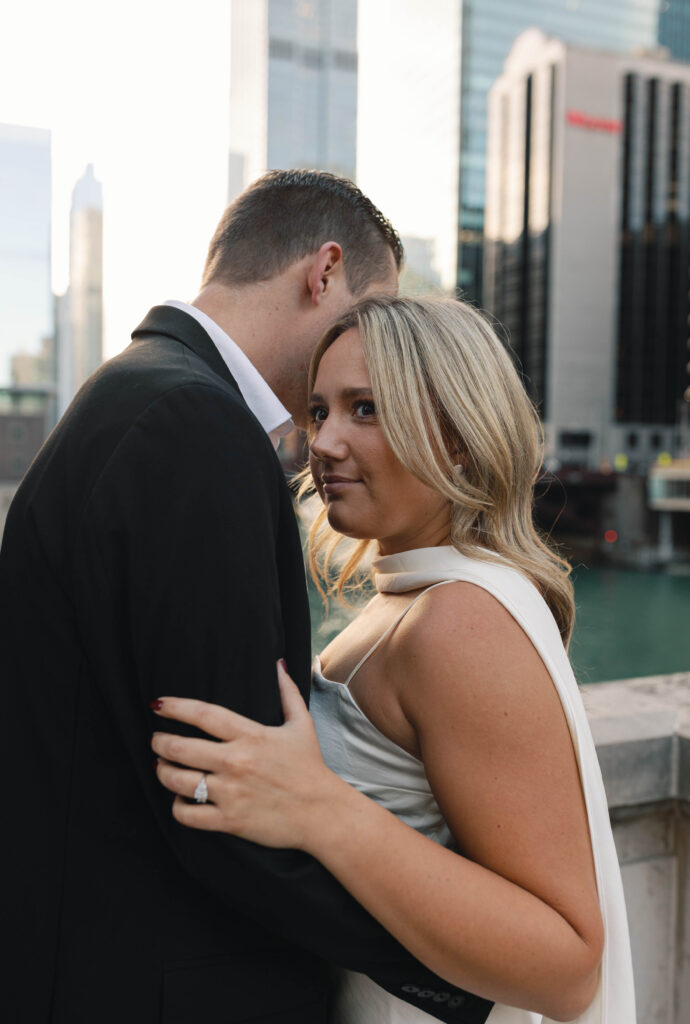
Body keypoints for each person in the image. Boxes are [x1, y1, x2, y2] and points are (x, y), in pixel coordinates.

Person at [0, 176, 491, 1024]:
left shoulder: (136, 394)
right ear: (325, 272)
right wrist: (464, 967)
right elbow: (227, 788)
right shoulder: (195, 424)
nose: (370, 345)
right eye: (369, 311)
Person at [151, 296, 636, 1024]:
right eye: (319, 411)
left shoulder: (458, 621)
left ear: (459, 438)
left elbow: (566, 967)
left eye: (367, 409)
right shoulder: (420, 598)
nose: (326, 442)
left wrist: (318, 808)